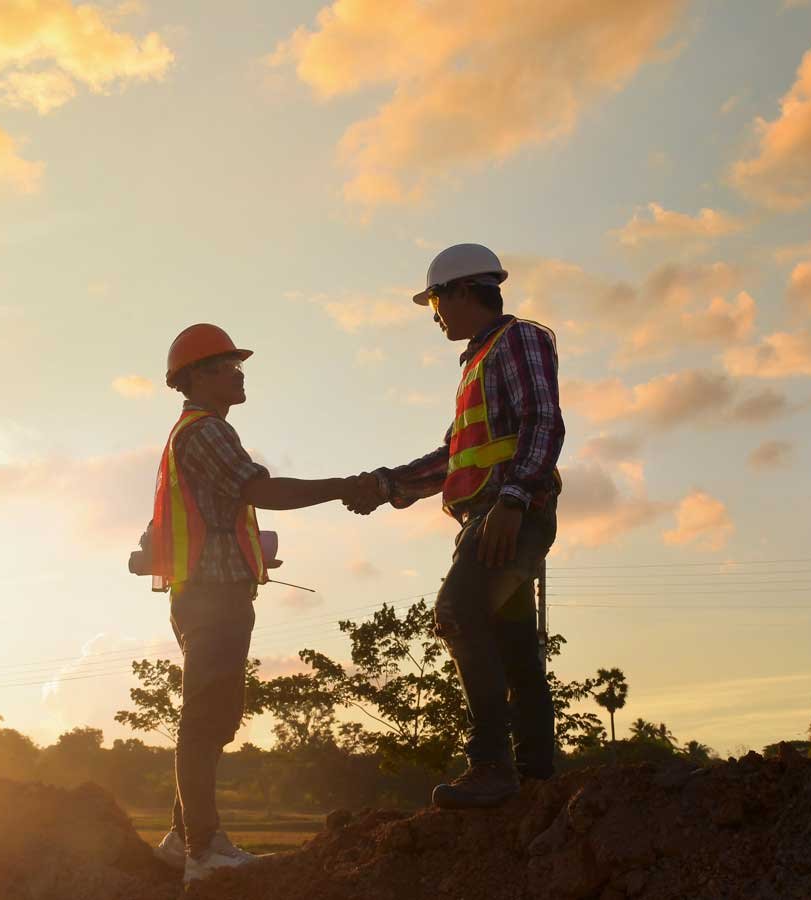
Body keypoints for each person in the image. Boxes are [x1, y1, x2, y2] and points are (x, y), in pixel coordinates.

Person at [140, 323, 373, 882]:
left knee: (216, 716)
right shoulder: (206, 433)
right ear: (196, 376)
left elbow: (214, 517)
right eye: (227, 365)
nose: (240, 372)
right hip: (211, 597)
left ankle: (182, 837)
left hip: (208, 592)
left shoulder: (198, 433)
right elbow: (263, 491)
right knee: (205, 719)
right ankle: (203, 849)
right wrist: (345, 485)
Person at [347, 244, 565, 810]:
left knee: (459, 613)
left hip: (506, 515)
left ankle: (491, 765)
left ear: (466, 291)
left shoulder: (519, 340)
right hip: (490, 515)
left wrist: (514, 501)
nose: (435, 312)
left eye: (437, 300)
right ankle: (539, 775)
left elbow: (544, 421)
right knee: (513, 643)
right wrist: (388, 484)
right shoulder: (478, 361)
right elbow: (455, 455)